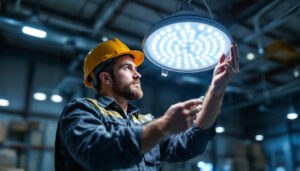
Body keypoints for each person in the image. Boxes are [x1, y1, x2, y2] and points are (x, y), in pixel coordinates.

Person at [55, 38, 239, 171]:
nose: (138, 75)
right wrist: (164, 126)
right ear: (106, 78)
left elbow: (189, 146)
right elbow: (95, 153)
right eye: (127, 67)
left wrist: (217, 88)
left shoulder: (145, 121)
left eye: (136, 69)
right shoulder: (81, 110)